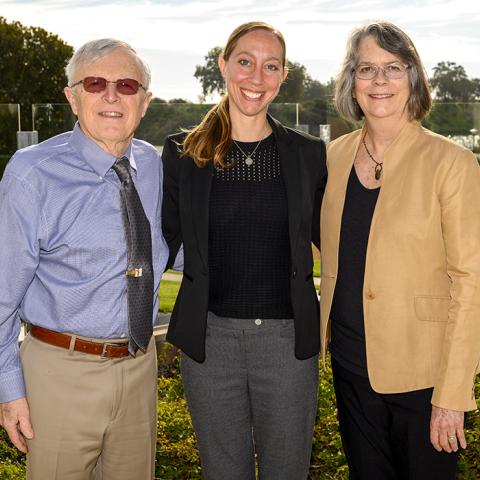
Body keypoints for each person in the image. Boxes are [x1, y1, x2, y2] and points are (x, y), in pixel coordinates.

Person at [162, 21, 327, 480]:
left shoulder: (308, 154)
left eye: (270, 66)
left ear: (283, 75)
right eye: (245, 62)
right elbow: (168, 240)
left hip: (288, 343)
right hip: (210, 344)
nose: (256, 77)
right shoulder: (181, 153)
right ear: (223, 65)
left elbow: (329, 239)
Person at [0, 39, 169, 479]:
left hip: (138, 367)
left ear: (145, 101)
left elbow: (179, 249)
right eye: (96, 83)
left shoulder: (154, 166)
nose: (112, 96)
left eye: (127, 85)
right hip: (59, 373)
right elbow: (2, 296)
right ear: (72, 96)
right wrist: (9, 391)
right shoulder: (32, 173)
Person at [320, 21, 480, 480]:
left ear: (413, 78)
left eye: (393, 67)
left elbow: (471, 282)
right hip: (351, 369)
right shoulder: (333, 157)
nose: (379, 81)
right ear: (352, 82)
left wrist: (452, 394)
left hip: (424, 376)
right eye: (366, 68)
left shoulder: (451, 162)